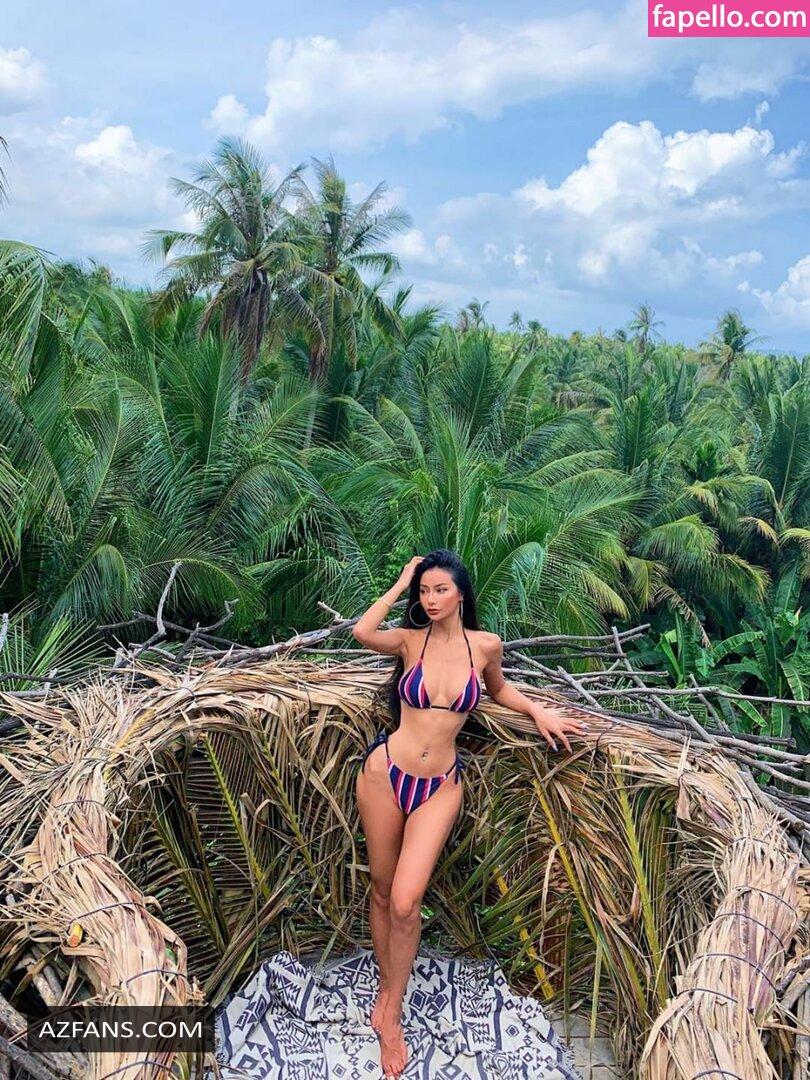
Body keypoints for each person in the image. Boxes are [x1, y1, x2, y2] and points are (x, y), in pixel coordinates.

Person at [353, 549, 587, 1078]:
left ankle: (392, 1013)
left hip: (439, 787)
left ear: (461, 592)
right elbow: (363, 632)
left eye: (440, 589)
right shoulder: (409, 640)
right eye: (424, 591)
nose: (430, 599)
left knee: (407, 901)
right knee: (383, 891)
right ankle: (388, 990)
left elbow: (498, 689)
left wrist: (537, 710)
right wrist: (401, 582)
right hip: (385, 774)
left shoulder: (485, 646)